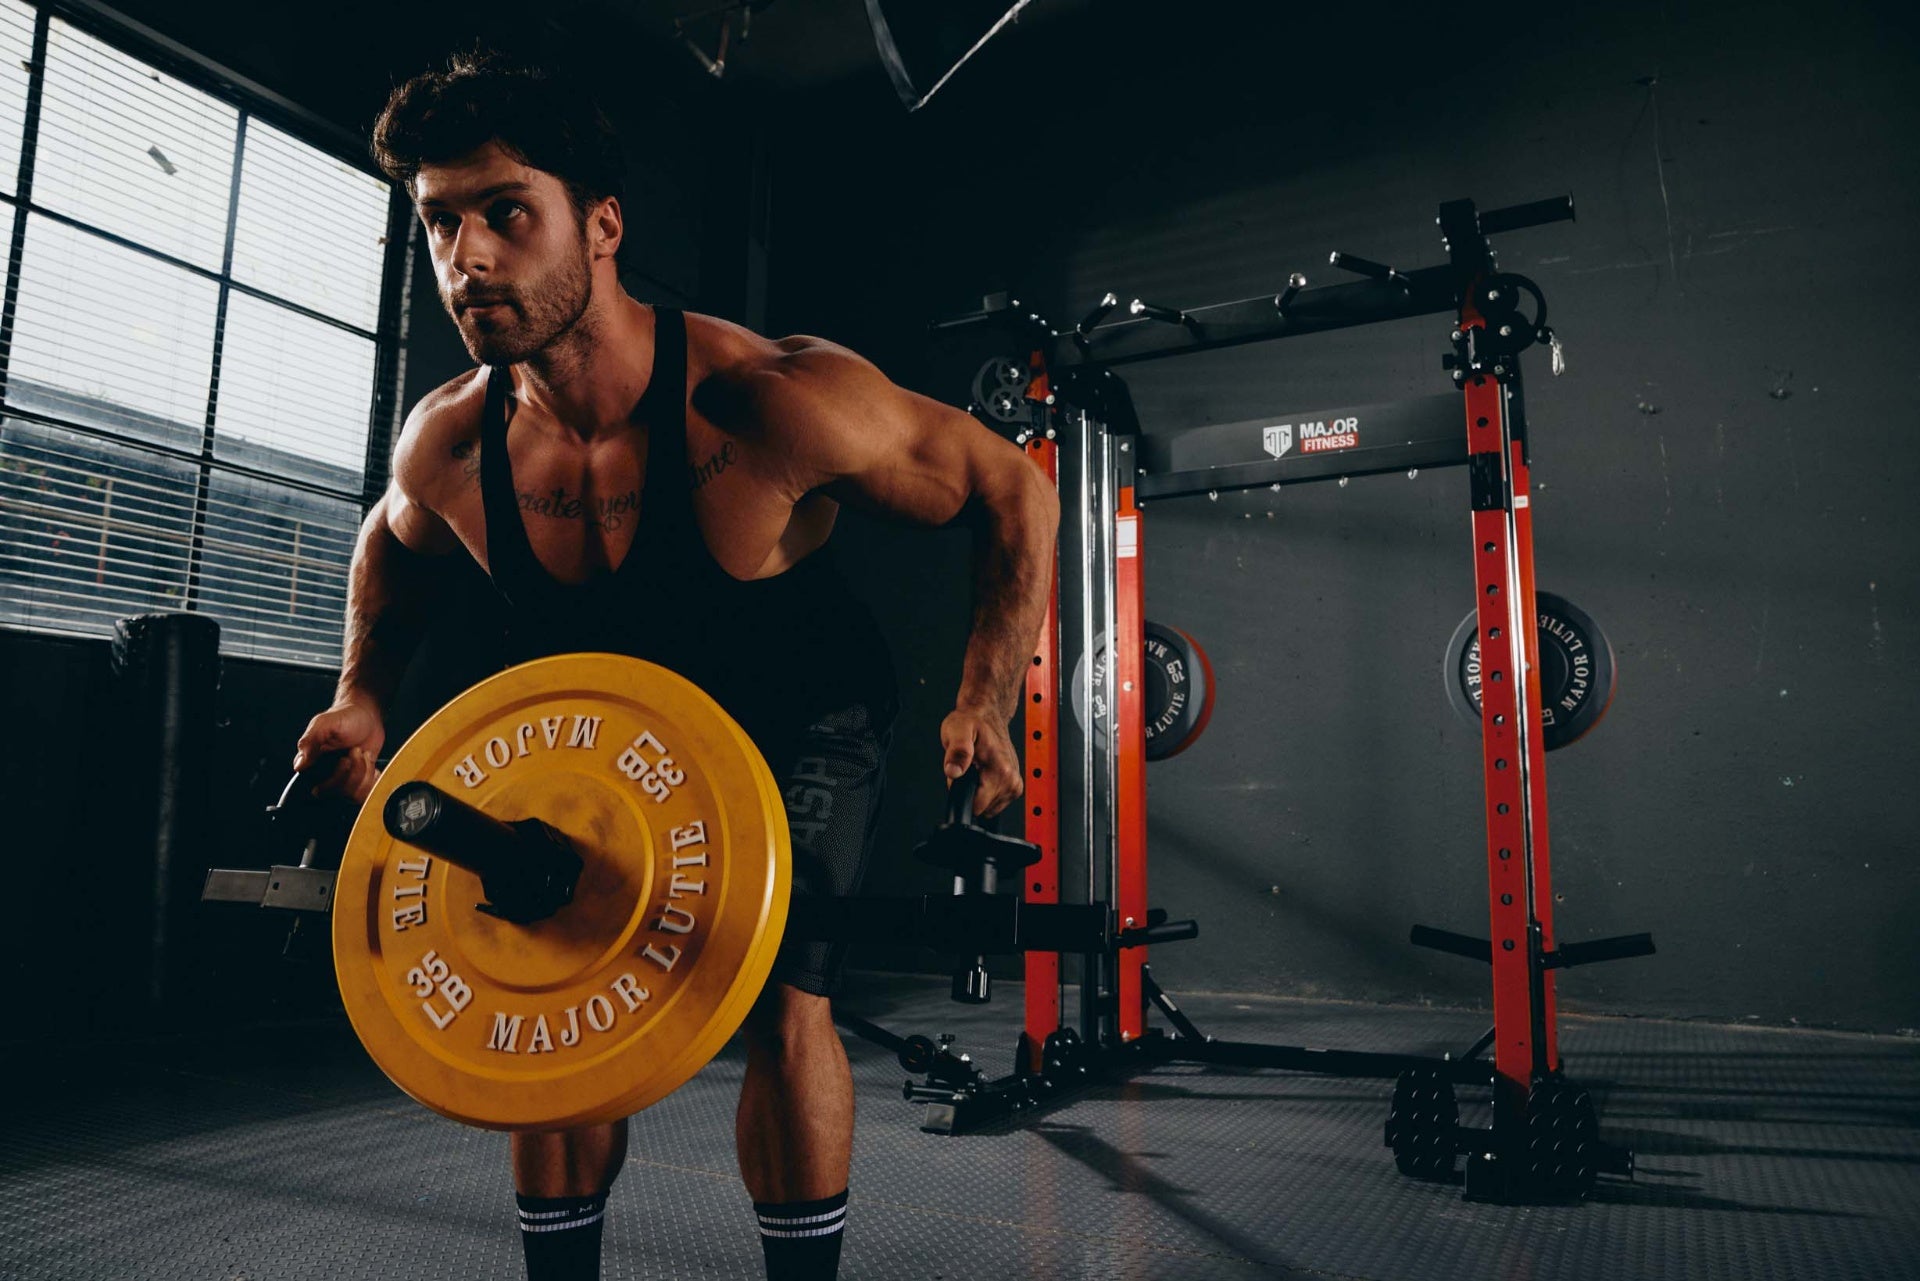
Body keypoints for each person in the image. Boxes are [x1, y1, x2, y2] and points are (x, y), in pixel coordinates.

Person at [290, 52, 1058, 1281]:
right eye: (439, 221)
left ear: (601, 226)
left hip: (802, 715)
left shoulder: (764, 401)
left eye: (505, 212)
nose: (467, 256)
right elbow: (388, 545)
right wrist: (360, 696)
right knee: (552, 985)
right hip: (609, 730)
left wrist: (983, 696)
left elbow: (1007, 487)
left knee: (783, 999)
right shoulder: (448, 442)